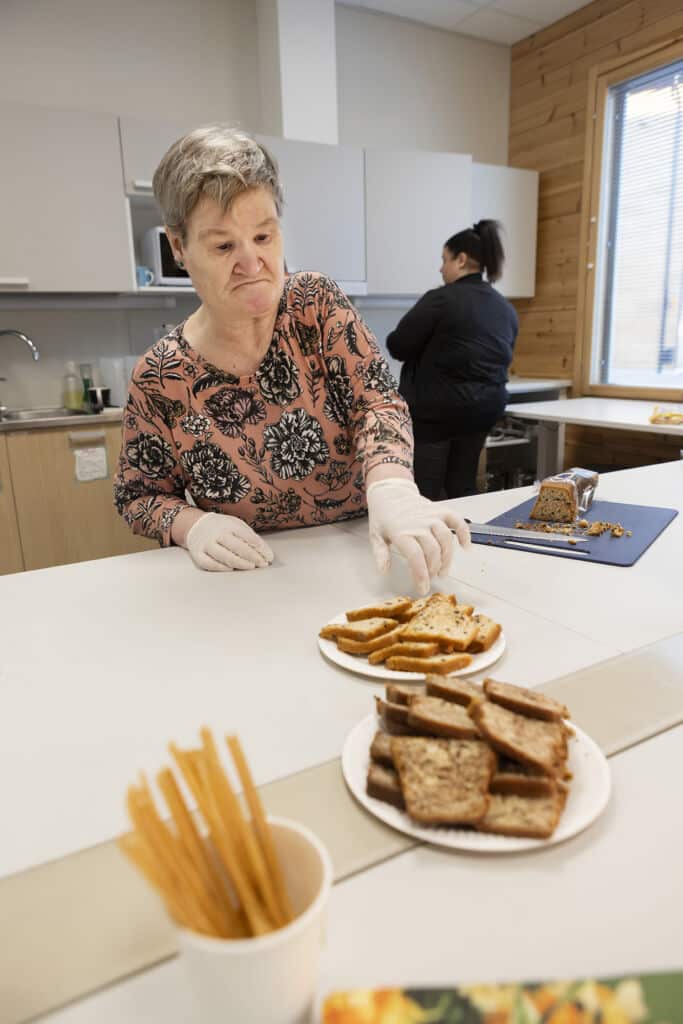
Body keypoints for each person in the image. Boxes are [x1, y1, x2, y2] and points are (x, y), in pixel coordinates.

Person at [114, 126, 470, 594]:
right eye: (223, 246)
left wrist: (392, 486)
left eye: (264, 236)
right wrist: (191, 525)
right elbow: (139, 495)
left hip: (364, 558)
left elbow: (377, 404)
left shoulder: (315, 304)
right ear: (179, 247)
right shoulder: (161, 377)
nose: (252, 262)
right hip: (249, 578)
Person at [386, 220, 519, 500]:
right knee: (463, 486)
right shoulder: (504, 308)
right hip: (482, 412)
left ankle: (429, 541)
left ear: (460, 260)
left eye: (444, 259)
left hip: (436, 413)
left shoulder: (441, 299)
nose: (440, 267)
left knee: (427, 491)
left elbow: (398, 345)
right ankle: (466, 540)